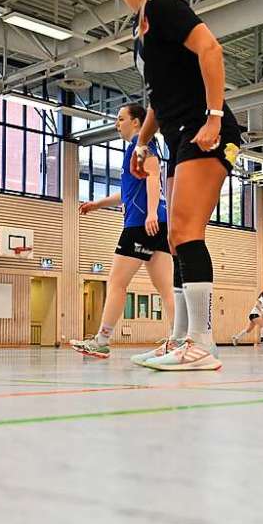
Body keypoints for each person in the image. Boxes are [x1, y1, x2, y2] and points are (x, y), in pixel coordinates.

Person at [101, 0, 242, 371]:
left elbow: (210, 49)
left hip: (207, 130)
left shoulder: (162, 4)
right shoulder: (141, 23)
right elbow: (159, 98)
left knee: (184, 231)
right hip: (179, 133)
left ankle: (201, 343)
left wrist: (214, 117)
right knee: (178, 240)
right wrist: (142, 143)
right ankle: (181, 338)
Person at [70, 103, 175, 360]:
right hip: (157, 224)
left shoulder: (141, 144)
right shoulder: (138, 147)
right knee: (166, 289)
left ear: (137, 122)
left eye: (121, 119)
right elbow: (127, 193)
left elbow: (153, 176)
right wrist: (99, 204)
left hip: (141, 224)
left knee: (117, 283)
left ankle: (102, 340)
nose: (118, 124)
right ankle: (178, 339)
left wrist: (149, 212)